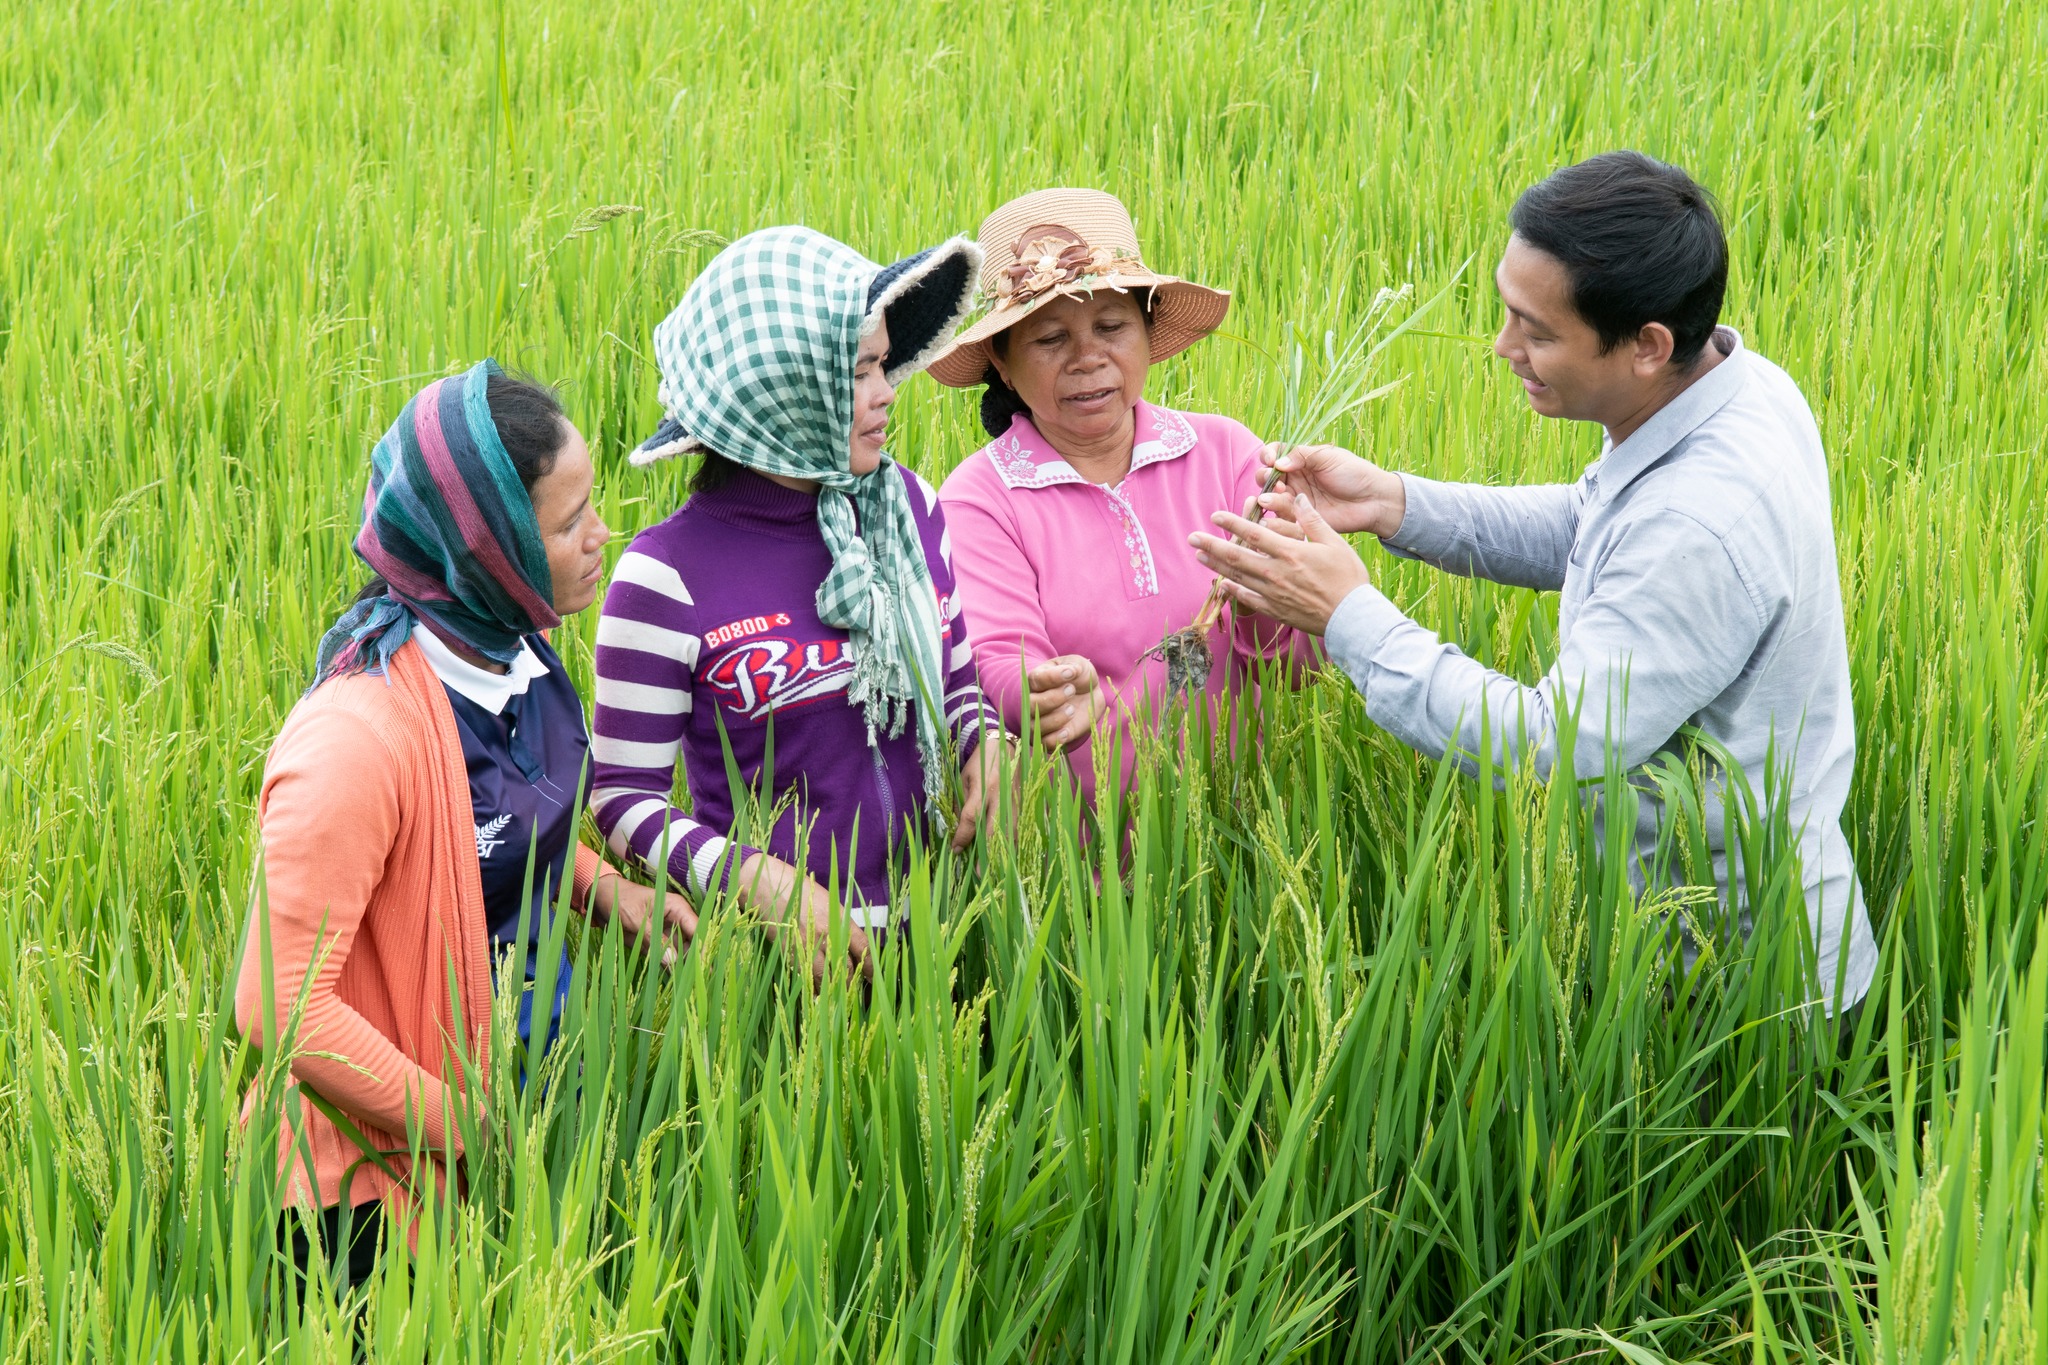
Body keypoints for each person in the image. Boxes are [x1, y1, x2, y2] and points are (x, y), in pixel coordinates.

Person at [1191, 151, 1878, 1016]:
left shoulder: (1700, 522)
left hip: (1735, 987)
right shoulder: (1733, 386)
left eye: (1537, 331)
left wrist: (1348, 616)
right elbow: (1599, 525)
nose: (1503, 347)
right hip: (1698, 937)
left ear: (1648, 345)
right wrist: (1395, 502)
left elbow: (1553, 745)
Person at [233, 361, 695, 1284]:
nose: (602, 535)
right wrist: (474, 1128)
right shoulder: (355, 741)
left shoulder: (513, 650)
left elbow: (494, 822)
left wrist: (606, 888)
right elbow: (281, 1008)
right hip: (374, 1190)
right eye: (569, 522)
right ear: (490, 553)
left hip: (516, 1108)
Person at [590, 227, 1006, 975]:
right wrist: (756, 882)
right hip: (776, 961)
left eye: (883, 364)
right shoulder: (664, 575)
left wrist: (984, 743)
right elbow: (622, 797)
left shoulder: (906, 512)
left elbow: (958, 686)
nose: (886, 392)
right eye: (859, 371)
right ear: (779, 387)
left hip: (941, 935)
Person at [929, 188, 1317, 799]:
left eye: (1111, 327)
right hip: (1080, 842)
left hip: (1237, 827)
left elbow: (1300, 668)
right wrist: (1047, 689)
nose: (1088, 358)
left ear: (1148, 331)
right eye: (1050, 339)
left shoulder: (1226, 454)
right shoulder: (980, 499)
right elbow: (999, 657)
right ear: (1002, 363)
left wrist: (1270, 594)